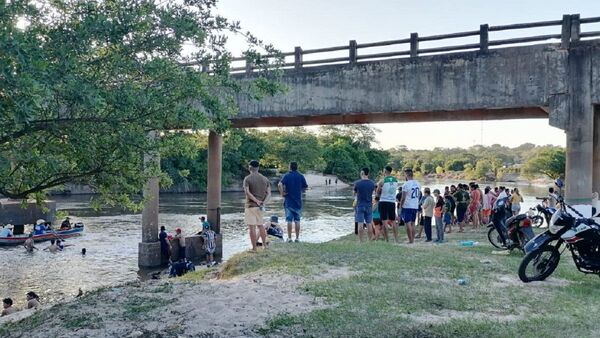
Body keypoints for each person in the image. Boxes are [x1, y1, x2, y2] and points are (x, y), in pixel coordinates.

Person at [243, 160, 271, 251]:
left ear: (250, 168)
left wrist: (256, 201)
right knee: (260, 225)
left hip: (250, 205)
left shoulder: (247, 178)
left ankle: (254, 248)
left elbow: (247, 192)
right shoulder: (265, 179)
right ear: (258, 168)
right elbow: (269, 193)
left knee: (252, 227)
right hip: (261, 207)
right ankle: (264, 246)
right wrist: (263, 203)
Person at [278, 161, 308, 243]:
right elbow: (305, 187)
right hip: (298, 201)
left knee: (289, 220)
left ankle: (290, 238)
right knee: (297, 220)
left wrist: (282, 193)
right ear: (297, 167)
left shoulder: (287, 175)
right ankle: (297, 238)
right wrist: (299, 190)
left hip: (288, 201)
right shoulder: (301, 176)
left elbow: (279, 184)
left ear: (290, 167)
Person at [376, 166, 400, 242]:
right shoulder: (396, 180)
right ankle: (396, 239)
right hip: (392, 202)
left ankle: (387, 240)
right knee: (393, 221)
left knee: (384, 221)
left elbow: (377, 193)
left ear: (385, 171)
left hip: (383, 201)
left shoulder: (382, 181)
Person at [353, 167, 376, 243]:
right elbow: (374, 194)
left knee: (360, 223)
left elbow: (354, 194)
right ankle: (369, 240)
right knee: (369, 223)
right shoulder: (372, 183)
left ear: (362, 173)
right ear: (368, 173)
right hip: (369, 205)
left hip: (360, 205)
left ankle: (361, 241)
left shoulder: (357, 183)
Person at [399, 168, 421, 244]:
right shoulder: (418, 183)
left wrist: (400, 206)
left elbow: (403, 197)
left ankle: (410, 240)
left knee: (407, 223)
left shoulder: (406, 184)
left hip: (407, 205)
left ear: (407, 175)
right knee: (413, 223)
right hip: (415, 205)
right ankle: (412, 239)